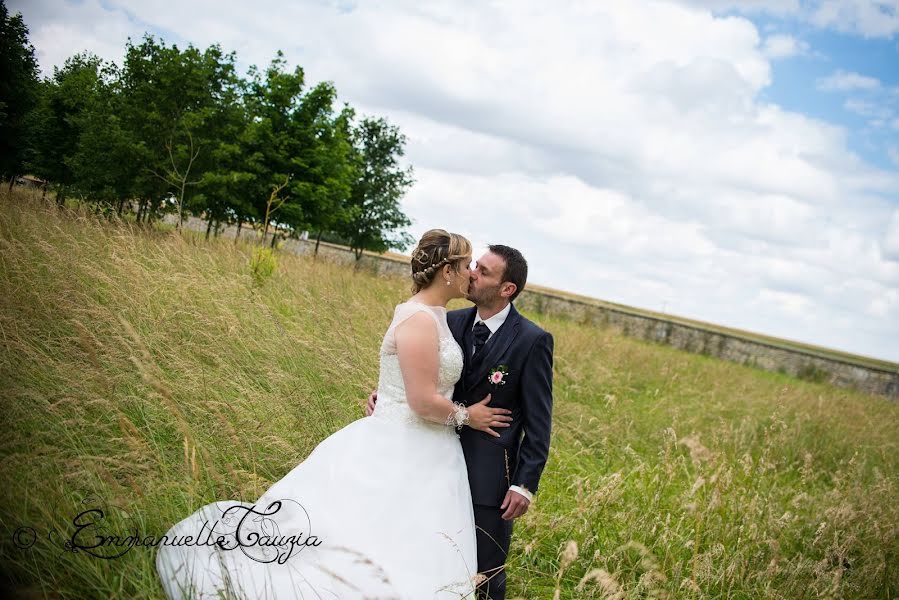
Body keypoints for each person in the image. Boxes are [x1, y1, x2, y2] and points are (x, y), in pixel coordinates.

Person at [156, 229, 512, 599]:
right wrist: (467, 416)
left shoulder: (438, 316)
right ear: (448, 271)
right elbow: (421, 401)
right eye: (467, 264)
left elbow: (415, 381)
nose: (472, 271)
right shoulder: (419, 319)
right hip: (403, 442)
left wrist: (391, 395)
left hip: (432, 449)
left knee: (405, 538)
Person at [367, 245, 554, 600]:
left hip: (489, 479)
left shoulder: (532, 340)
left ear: (506, 289)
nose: (471, 274)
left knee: (483, 573)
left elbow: (539, 419)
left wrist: (524, 484)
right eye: (473, 266)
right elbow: (422, 377)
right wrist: (387, 396)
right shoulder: (448, 321)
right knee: (425, 561)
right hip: (430, 462)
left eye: (483, 271)